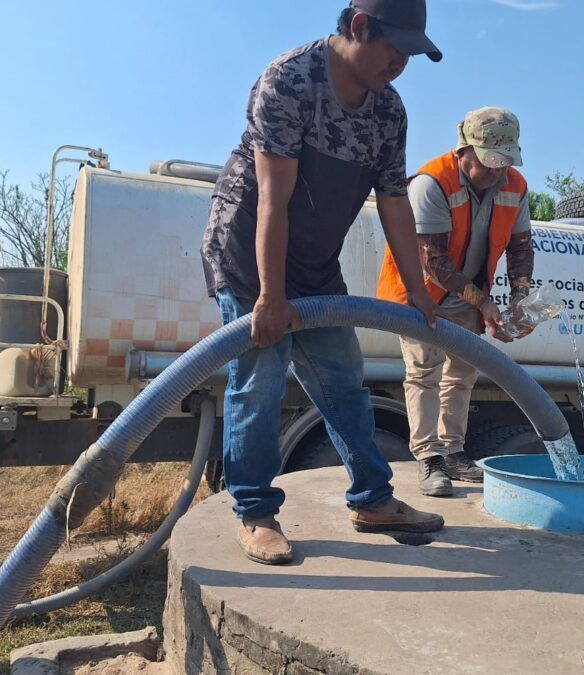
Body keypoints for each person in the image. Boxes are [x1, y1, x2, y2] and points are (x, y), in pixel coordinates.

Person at [201, 0, 445, 565]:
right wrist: (268, 296)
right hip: (249, 250)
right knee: (260, 380)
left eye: (411, 54)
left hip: (314, 259)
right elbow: (272, 200)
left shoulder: (389, 112)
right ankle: (256, 512)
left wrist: (417, 290)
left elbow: (394, 206)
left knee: (342, 376)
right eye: (395, 49)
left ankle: (373, 499)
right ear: (360, 27)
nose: (401, 64)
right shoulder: (290, 81)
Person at [377, 107, 536, 496]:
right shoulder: (431, 183)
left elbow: (521, 247)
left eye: (505, 163)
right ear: (464, 150)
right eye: (490, 163)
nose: (498, 171)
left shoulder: (515, 185)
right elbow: (433, 263)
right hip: (419, 294)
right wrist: (484, 303)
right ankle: (429, 459)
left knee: (462, 375)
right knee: (423, 373)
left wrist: (520, 297)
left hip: (467, 294)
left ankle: (452, 453)